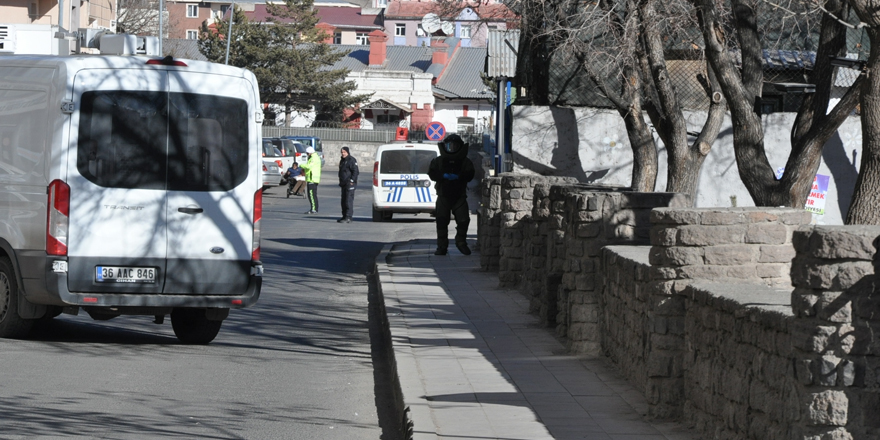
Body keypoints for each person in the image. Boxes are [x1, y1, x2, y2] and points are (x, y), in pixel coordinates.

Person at [428, 134, 475, 255]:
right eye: (449, 146)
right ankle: (441, 247)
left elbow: (470, 175)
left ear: (460, 147)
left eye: (455, 146)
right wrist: (442, 176)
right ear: (445, 146)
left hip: (459, 196)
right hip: (443, 195)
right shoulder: (438, 161)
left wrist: (459, 177)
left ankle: (461, 242)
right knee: (442, 221)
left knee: (464, 220)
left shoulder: (465, 161)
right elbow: (431, 173)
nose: (452, 148)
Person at [338, 146, 359, 223]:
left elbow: (355, 171)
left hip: (350, 183)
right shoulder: (342, 160)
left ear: (347, 152)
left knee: (348, 200)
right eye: (342, 152)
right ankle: (344, 216)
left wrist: (352, 180)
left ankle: (349, 217)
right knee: (343, 201)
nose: (343, 154)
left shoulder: (351, 160)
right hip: (343, 184)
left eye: (344, 152)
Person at [300, 146, 321, 214]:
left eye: (307, 153)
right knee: (313, 194)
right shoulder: (315, 157)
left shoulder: (313, 158)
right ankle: (314, 208)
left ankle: (314, 209)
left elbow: (309, 166)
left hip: (312, 179)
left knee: (311, 194)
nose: (307, 154)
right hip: (313, 178)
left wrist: (301, 165)